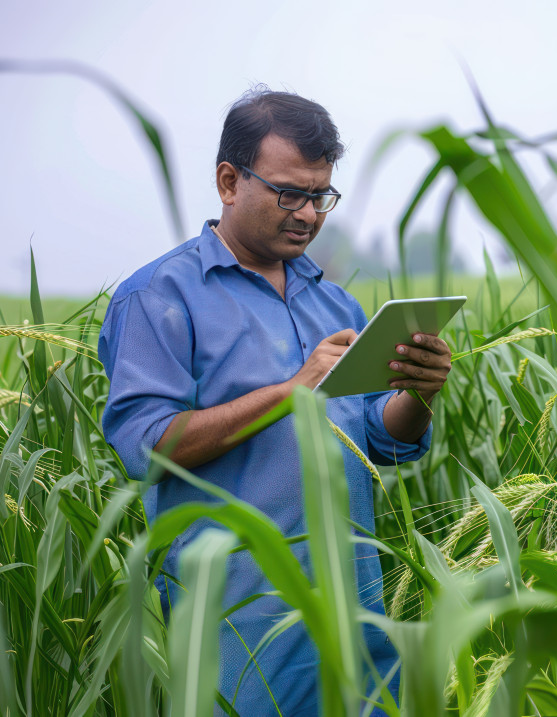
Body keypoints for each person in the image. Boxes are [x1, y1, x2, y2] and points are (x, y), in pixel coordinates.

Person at [98, 88, 451, 715]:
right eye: (290, 192)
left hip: (356, 605)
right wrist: (289, 393)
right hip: (240, 619)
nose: (309, 214)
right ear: (230, 182)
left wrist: (417, 392)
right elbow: (148, 446)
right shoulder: (159, 297)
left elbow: (380, 440)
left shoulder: (334, 304)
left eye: (321, 196)